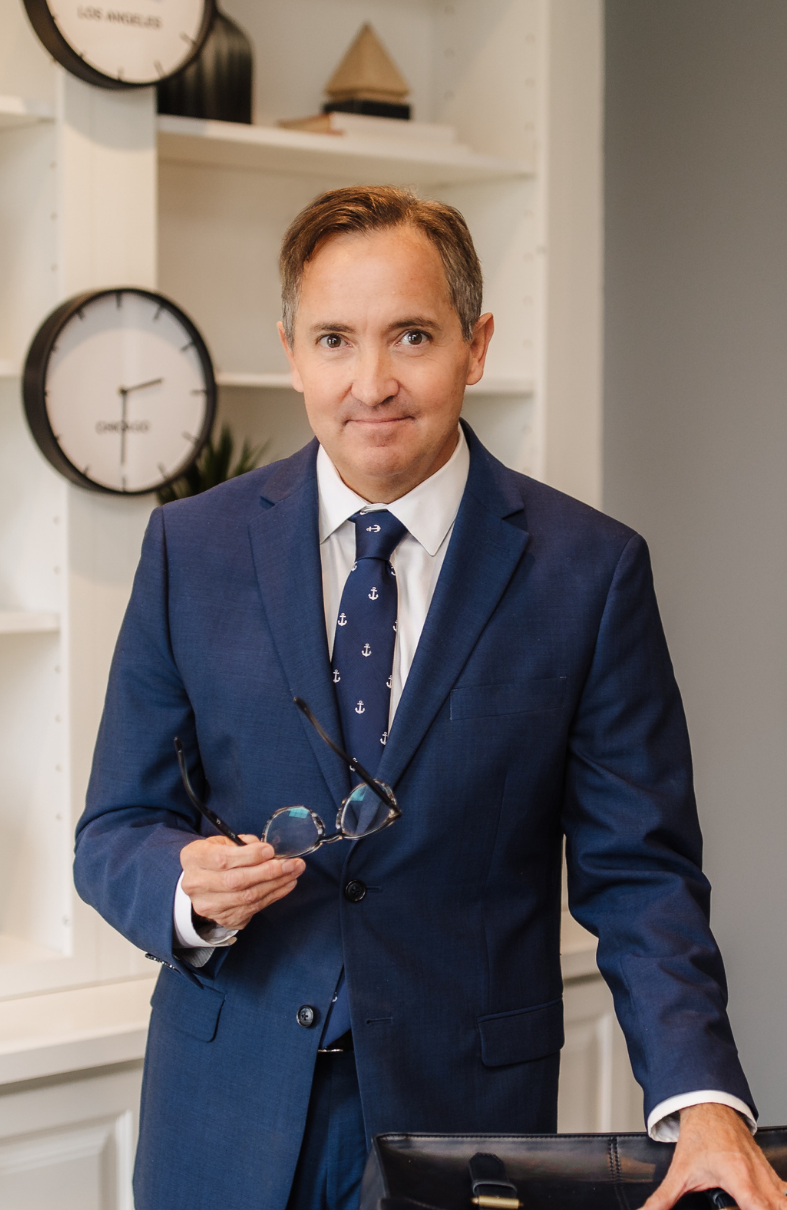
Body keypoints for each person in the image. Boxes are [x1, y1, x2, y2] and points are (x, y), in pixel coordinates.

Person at [74, 186, 785, 1210]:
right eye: (333, 339)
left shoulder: (591, 572)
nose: (373, 382)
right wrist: (184, 893)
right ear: (291, 352)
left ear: (475, 344)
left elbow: (641, 872)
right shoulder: (192, 549)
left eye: (412, 335)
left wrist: (703, 1098)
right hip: (220, 1110)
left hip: (463, 1122)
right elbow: (115, 825)